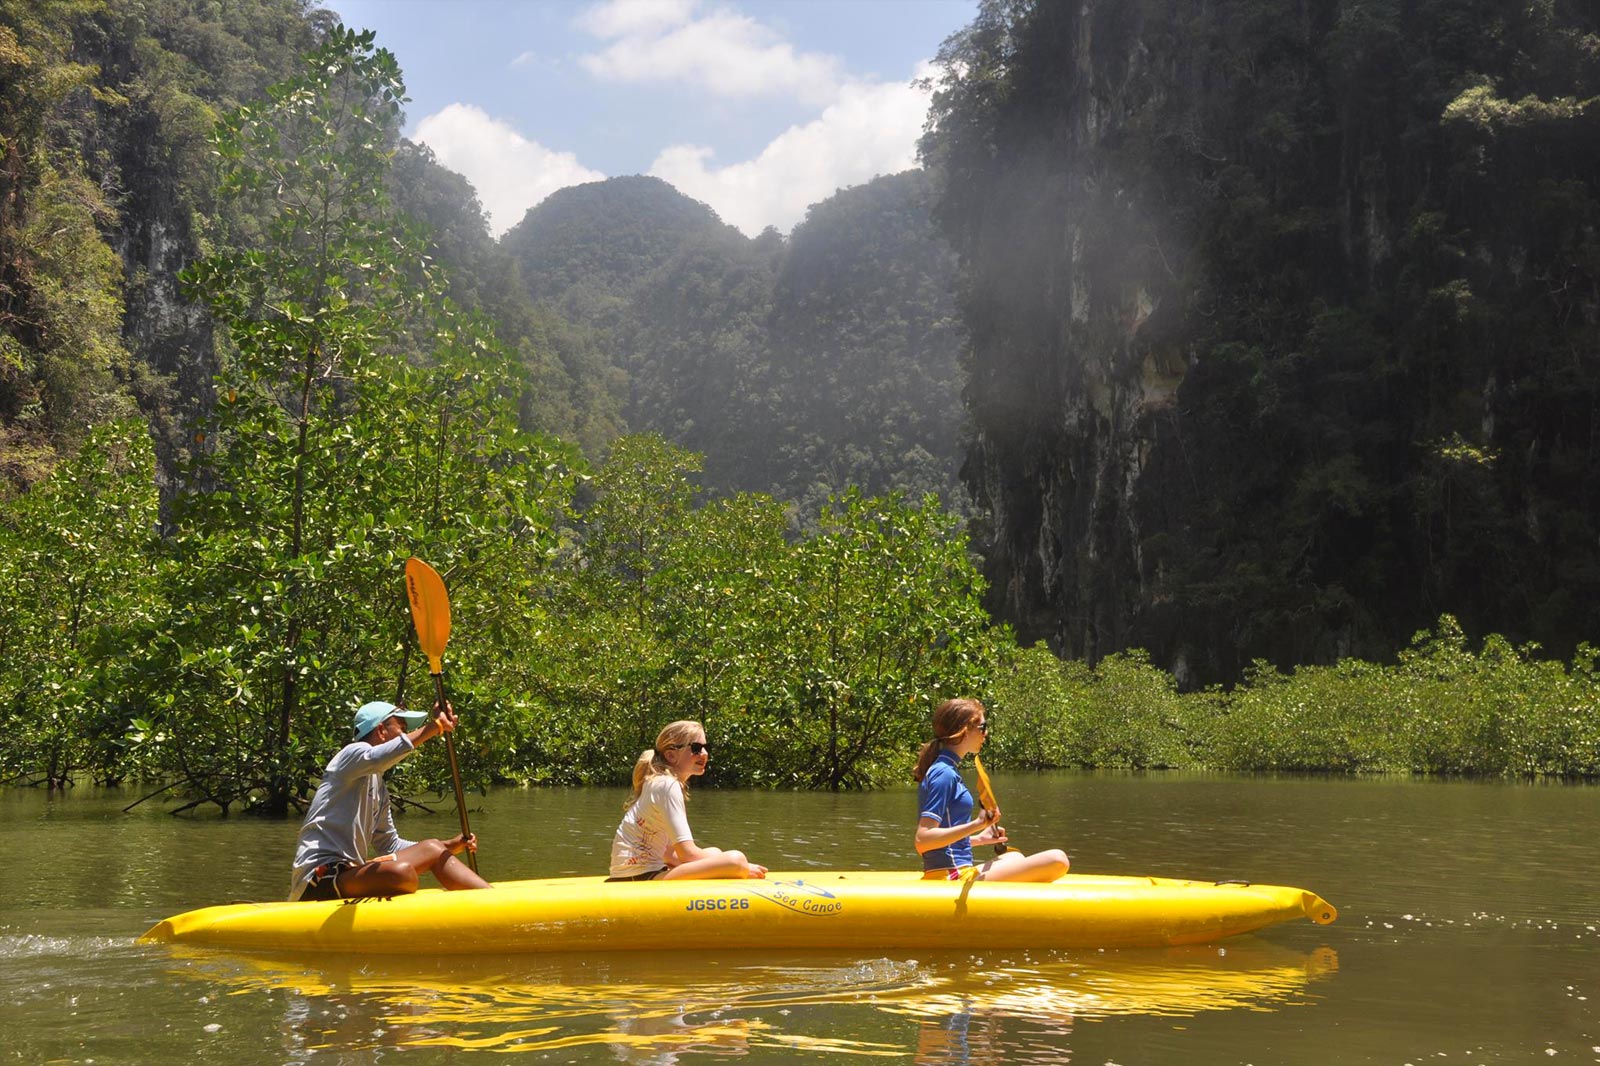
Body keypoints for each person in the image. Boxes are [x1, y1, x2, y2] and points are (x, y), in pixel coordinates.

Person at [288, 699, 492, 901]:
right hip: (318, 877)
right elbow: (378, 758)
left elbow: (389, 844)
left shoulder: (379, 786)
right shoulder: (350, 754)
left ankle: (491, 899)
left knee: (433, 849)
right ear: (381, 730)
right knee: (400, 874)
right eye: (401, 728)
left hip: (349, 872)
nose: (405, 734)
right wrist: (435, 727)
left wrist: (449, 845)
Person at [913, 697, 1070, 882]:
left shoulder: (946, 768)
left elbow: (940, 845)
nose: (985, 734)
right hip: (951, 876)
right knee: (1058, 859)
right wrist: (976, 824)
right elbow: (923, 840)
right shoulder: (944, 773)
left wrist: (979, 838)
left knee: (1014, 857)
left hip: (955, 870)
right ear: (965, 729)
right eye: (982, 727)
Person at [607, 720, 767, 882]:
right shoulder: (667, 785)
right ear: (671, 755)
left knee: (716, 853)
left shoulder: (659, 782)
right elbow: (687, 854)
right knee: (736, 859)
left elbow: (669, 854)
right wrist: (740, 867)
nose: (704, 753)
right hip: (640, 877)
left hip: (637, 874)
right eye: (696, 748)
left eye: (706, 748)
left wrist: (718, 861)